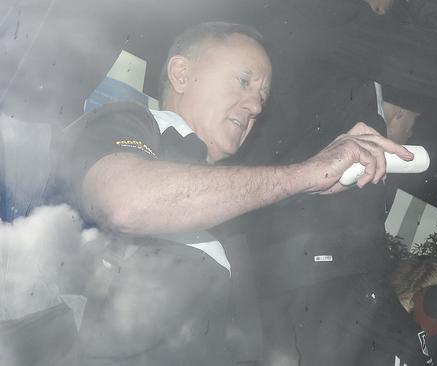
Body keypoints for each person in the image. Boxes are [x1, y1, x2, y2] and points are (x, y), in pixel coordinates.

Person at [55, 21, 412, 365]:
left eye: (262, 96)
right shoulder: (132, 123)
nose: (256, 105)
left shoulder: (235, 214)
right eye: (243, 81)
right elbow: (125, 202)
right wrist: (305, 174)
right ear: (181, 74)